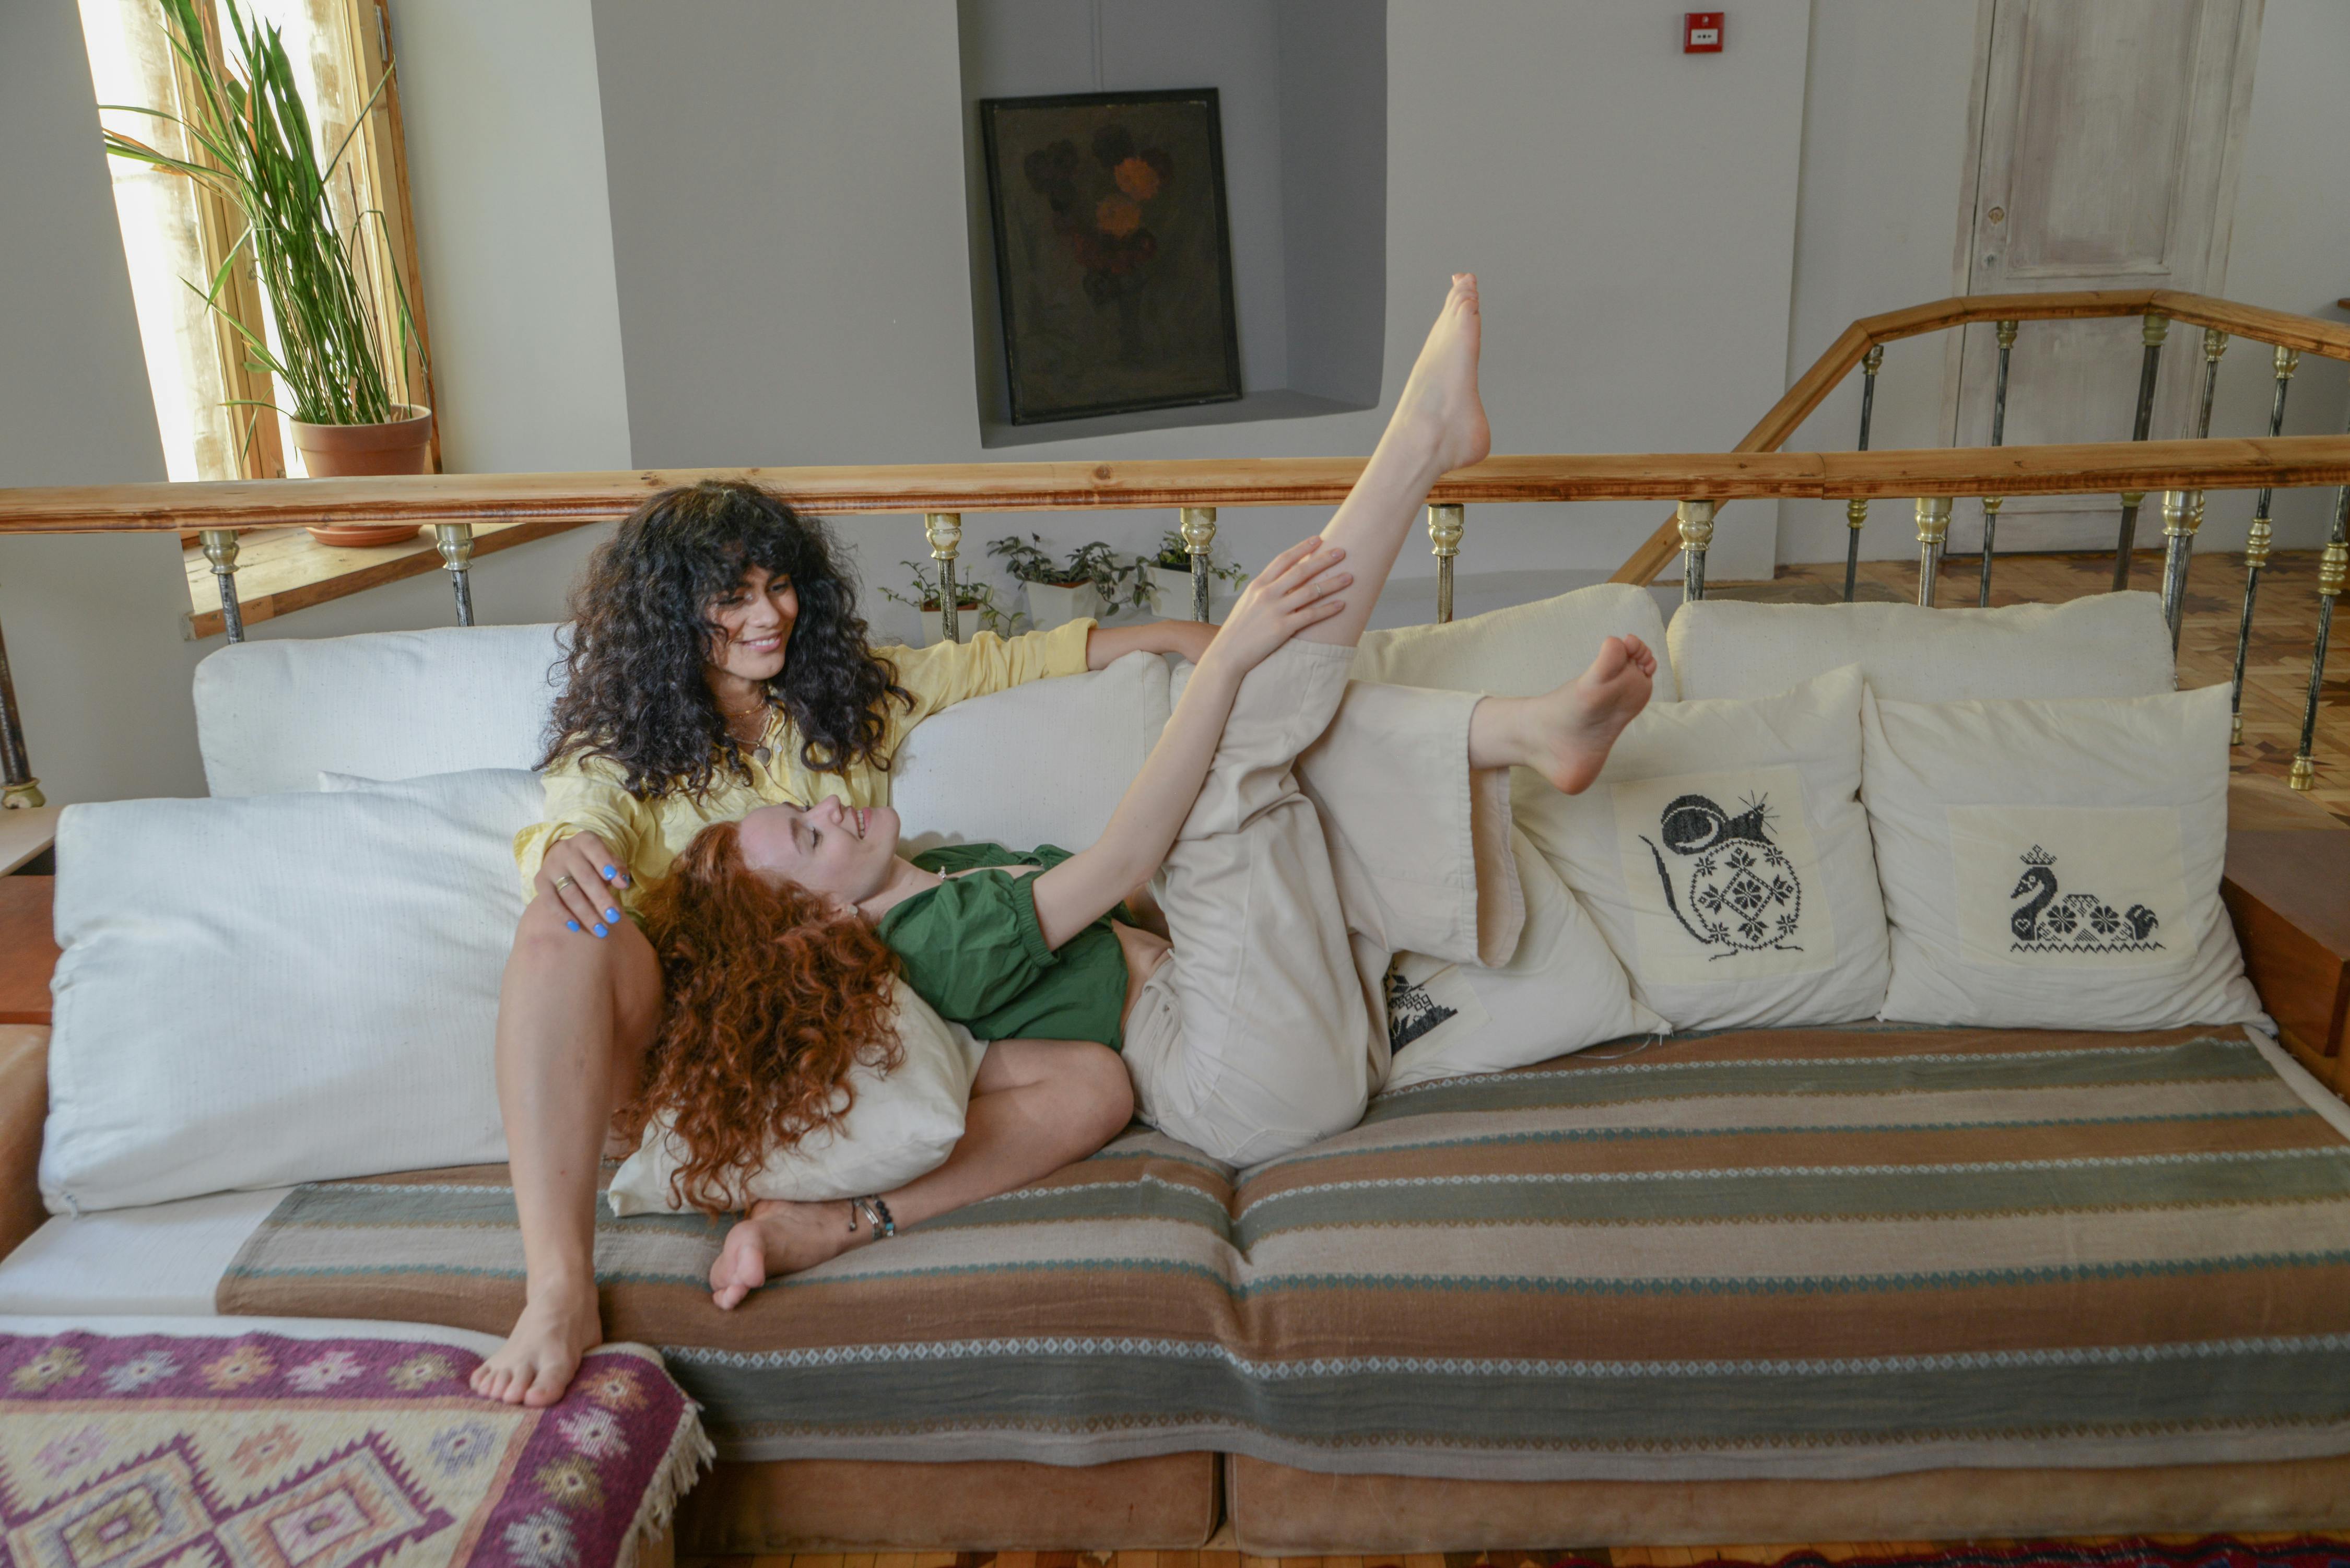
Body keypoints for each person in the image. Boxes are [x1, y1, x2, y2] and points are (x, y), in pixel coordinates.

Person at [657, 275, 1658, 1308]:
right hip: (1237, 1072)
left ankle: (1519, 717)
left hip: (1266, 1019)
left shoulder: (936, 866)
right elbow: (1127, 865)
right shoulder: (926, 937)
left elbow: (1123, 899)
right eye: (809, 836)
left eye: (807, 806)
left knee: (1270, 739)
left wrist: (1221, 665)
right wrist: (1223, 664)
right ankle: (1425, 470)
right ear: (820, 918)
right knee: (1223, 754)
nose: (828, 804)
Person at [473, 478, 1220, 1406]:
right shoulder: (616, 750)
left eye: (778, 584)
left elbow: (1006, 659)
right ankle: (557, 1290)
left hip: (844, 1022)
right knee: (568, 913)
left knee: (1095, 1085)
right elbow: (578, 816)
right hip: (701, 1051)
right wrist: (570, 848)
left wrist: (1191, 641)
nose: (769, 613)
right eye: (733, 596)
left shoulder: (841, 701)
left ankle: (831, 1222)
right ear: (669, 616)